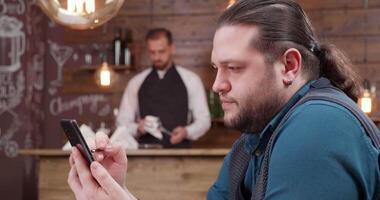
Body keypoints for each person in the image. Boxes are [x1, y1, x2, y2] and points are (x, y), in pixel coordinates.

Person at [68, 0, 380, 199]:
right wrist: (117, 193)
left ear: (289, 66)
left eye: (234, 68)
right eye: (217, 68)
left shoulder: (318, 129)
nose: (218, 84)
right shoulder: (253, 141)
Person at [114, 28, 211, 148]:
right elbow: (122, 122)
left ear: (172, 48)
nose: (156, 57)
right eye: (152, 52)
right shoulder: (136, 83)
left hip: (182, 155)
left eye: (161, 51)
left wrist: (186, 132)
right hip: (145, 155)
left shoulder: (191, 80)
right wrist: (138, 128)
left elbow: (204, 120)